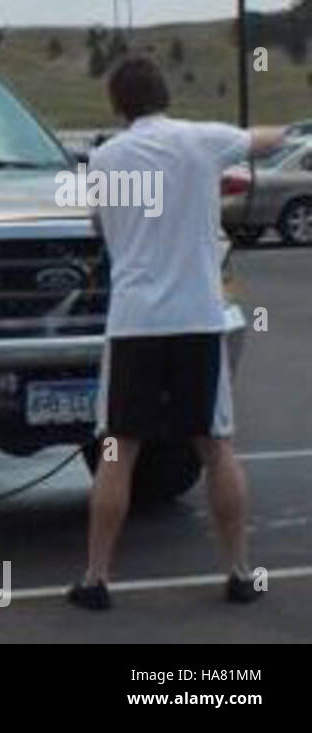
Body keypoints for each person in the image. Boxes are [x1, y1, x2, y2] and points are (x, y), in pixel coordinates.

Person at [69, 56, 291, 610]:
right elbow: (267, 139)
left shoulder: (104, 158)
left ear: (117, 104)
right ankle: (239, 572)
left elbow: (99, 225)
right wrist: (278, 133)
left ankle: (97, 579)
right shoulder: (203, 141)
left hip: (136, 322)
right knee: (216, 447)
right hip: (197, 318)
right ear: (165, 93)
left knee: (119, 447)